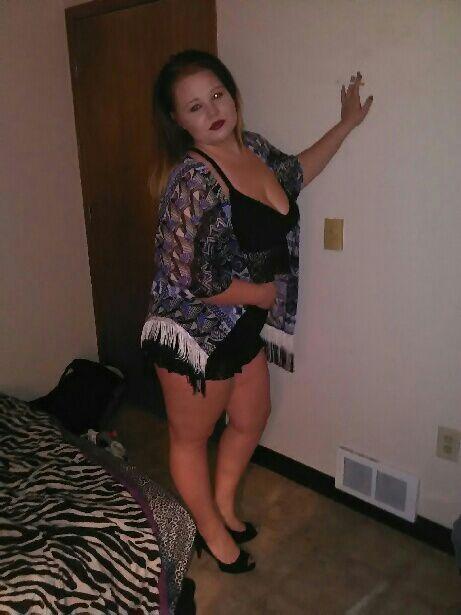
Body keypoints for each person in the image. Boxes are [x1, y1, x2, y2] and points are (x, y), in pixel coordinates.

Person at [141, 49, 372, 573]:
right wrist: (259, 295)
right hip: (192, 336)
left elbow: (296, 173)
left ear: (233, 95)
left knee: (251, 418)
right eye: (195, 106)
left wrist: (346, 125)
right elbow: (190, 282)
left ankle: (223, 506)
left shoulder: (256, 150)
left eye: (217, 94)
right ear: (178, 120)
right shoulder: (190, 183)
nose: (213, 110)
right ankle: (210, 532)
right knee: (191, 439)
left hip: (241, 327)